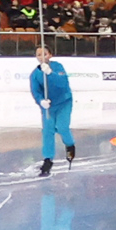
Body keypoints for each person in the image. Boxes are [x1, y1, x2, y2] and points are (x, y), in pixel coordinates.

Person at [31, 37, 76, 176]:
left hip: (63, 102)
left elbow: (62, 83)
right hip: (49, 106)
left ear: (50, 55)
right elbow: (35, 90)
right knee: (48, 131)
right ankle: (47, 159)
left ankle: (69, 144)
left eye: (44, 54)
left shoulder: (58, 67)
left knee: (62, 127)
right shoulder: (35, 74)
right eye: (39, 54)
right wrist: (41, 101)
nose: (41, 57)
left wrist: (50, 74)